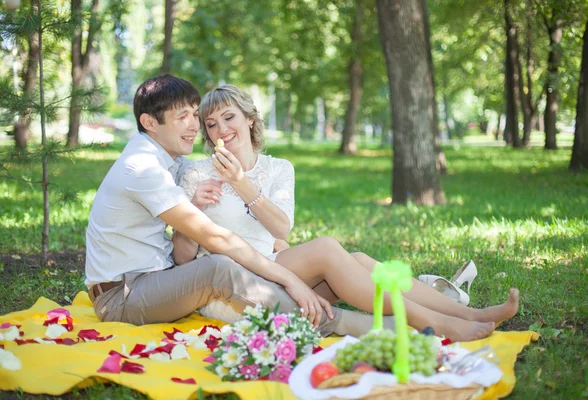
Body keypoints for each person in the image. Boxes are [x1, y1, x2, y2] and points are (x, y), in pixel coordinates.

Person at [177, 84, 520, 343]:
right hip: (232, 290)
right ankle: (436, 322)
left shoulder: (278, 168)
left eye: (228, 117)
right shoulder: (197, 173)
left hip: (274, 274)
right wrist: (192, 210)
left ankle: (467, 312)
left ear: (249, 119)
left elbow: (282, 226)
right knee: (326, 248)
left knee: (355, 258)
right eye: (211, 124)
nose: (221, 130)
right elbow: (182, 260)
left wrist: (240, 181)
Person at [85, 74, 395, 339]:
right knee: (219, 266)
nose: (196, 127)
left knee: (345, 260)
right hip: (123, 296)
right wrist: (290, 279)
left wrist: (280, 249)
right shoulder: (142, 168)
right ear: (149, 122)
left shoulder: (168, 161)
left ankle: (437, 307)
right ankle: (355, 326)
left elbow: (267, 228)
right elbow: (215, 240)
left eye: (195, 116)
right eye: (184, 117)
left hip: (153, 279)